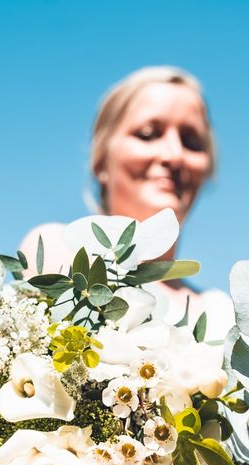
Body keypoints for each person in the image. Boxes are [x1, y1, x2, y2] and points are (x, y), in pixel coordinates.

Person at [20, 66, 234, 342]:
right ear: (101, 161)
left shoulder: (221, 313)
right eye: (147, 134)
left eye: (191, 142)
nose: (174, 155)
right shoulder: (57, 246)